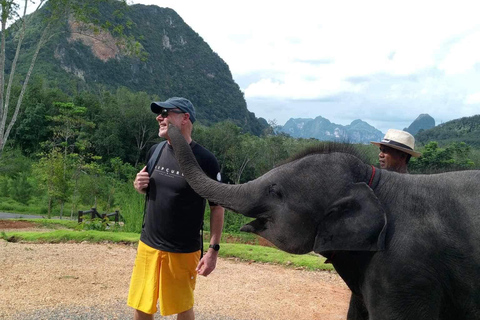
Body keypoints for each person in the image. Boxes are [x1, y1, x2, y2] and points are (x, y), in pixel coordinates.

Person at [128, 97, 225, 320]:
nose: (159, 117)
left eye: (165, 112)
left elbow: (217, 207)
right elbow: (152, 191)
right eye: (159, 113)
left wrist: (213, 250)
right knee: (142, 305)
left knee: (182, 307)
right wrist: (139, 186)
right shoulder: (155, 151)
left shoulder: (205, 160)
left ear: (185, 118)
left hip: (183, 250)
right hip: (148, 245)